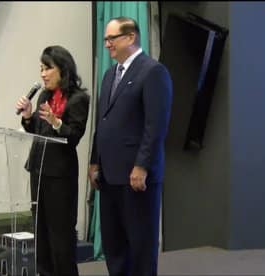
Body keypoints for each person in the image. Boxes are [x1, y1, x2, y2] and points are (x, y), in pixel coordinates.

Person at [88, 17, 173, 276]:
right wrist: (94, 161)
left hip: (137, 177)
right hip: (110, 174)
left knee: (140, 245)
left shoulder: (153, 71)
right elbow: (102, 122)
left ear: (130, 37)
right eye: (105, 39)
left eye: (111, 39)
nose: (107, 45)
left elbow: (155, 125)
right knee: (115, 245)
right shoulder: (109, 74)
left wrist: (142, 165)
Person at [15, 45, 90, 276]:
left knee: (60, 236)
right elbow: (38, 130)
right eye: (41, 69)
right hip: (38, 170)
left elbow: (74, 136)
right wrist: (28, 117)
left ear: (63, 69)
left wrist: (57, 122)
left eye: (48, 68)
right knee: (42, 235)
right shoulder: (45, 96)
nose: (43, 74)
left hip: (60, 176)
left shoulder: (78, 99)